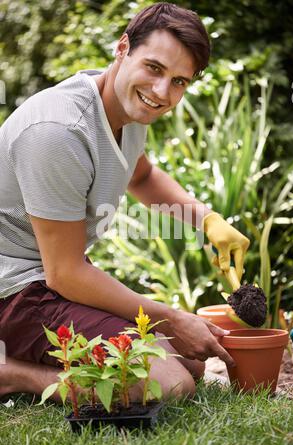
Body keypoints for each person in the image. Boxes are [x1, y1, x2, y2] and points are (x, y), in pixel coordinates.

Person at [0, 2, 249, 402]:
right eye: (154, 68)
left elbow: (143, 176)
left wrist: (208, 221)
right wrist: (171, 317)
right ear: (123, 47)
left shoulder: (121, 111)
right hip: (13, 292)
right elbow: (63, 273)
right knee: (168, 383)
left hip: (47, 280)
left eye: (180, 81)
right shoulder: (58, 132)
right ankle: (13, 374)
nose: (162, 93)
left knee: (192, 362)